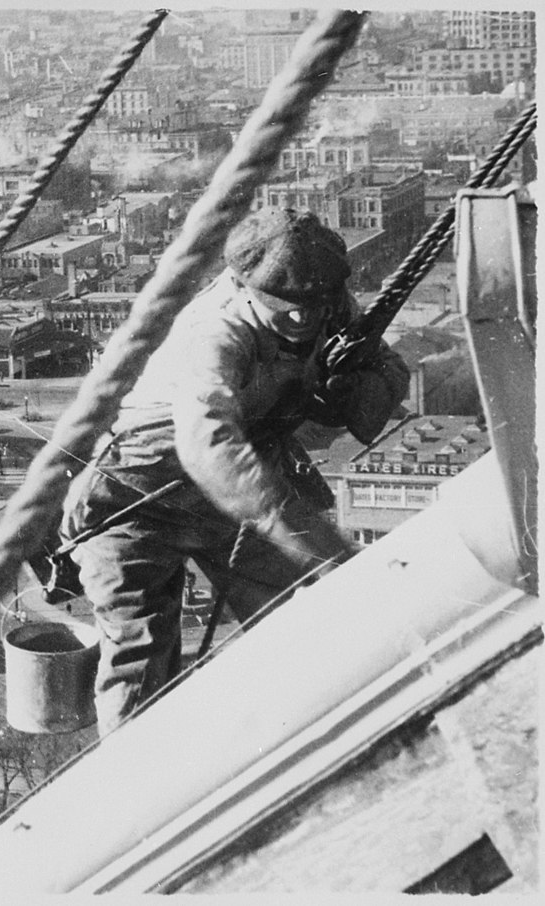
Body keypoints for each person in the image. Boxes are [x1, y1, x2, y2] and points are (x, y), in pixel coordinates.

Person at [60, 208, 409, 737]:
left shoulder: (324, 299)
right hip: (136, 498)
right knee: (139, 655)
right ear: (244, 286)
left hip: (236, 493)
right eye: (284, 306)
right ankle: (135, 771)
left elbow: (386, 365)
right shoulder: (216, 330)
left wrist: (356, 391)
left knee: (301, 629)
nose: (302, 318)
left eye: (313, 303)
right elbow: (209, 444)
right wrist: (309, 538)